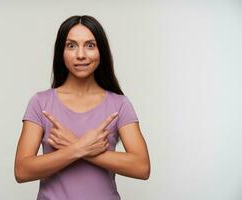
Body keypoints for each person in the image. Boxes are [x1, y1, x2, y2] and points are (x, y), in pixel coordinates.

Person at [14, 15, 150, 200]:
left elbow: (142, 168)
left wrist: (75, 146)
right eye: (71, 45)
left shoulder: (119, 104)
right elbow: (22, 171)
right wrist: (77, 148)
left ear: (101, 51)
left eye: (90, 45)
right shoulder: (40, 102)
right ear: (61, 52)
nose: (81, 55)